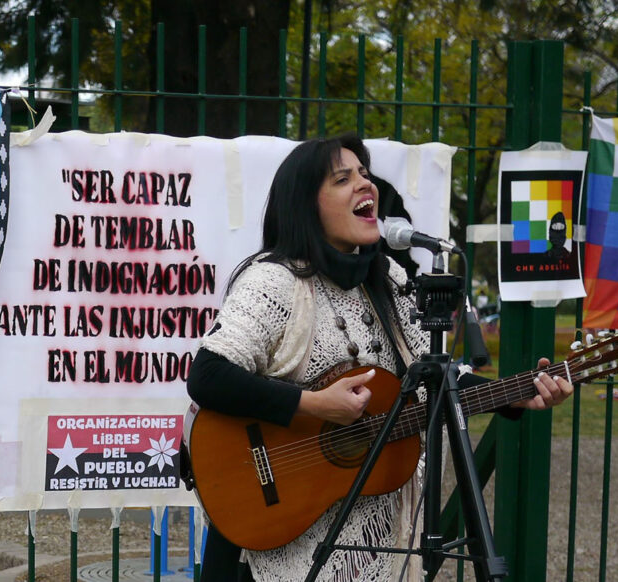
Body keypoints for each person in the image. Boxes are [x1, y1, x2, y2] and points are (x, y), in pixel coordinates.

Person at [185, 133, 573, 582]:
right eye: (343, 178)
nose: (364, 185)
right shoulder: (274, 282)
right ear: (306, 204)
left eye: (365, 174)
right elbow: (208, 375)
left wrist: (518, 394)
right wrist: (315, 406)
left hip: (368, 540)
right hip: (280, 528)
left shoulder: (385, 278)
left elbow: (433, 378)